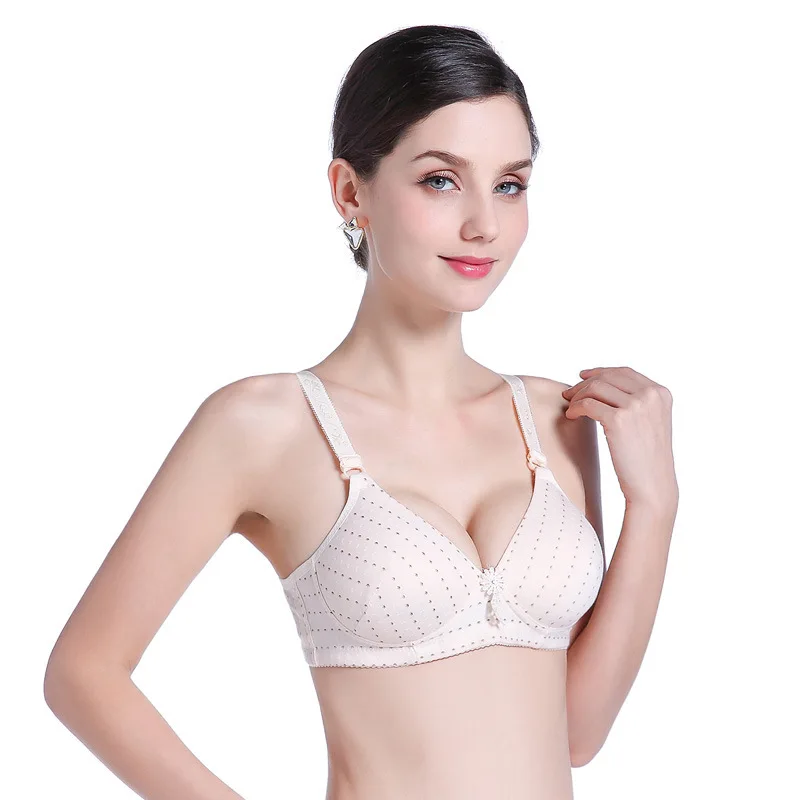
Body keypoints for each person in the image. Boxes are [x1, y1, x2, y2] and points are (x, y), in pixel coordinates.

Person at [43, 23, 679, 800]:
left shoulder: (557, 421)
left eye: (509, 185)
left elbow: (576, 732)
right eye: (441, 180)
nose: (484, 223)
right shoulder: (265, 425)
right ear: (351, 192)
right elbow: (83, 673)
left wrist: (655, 506)